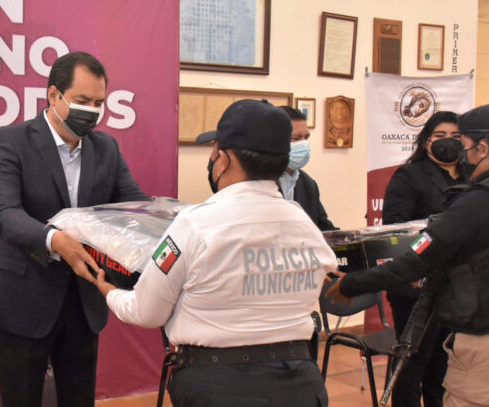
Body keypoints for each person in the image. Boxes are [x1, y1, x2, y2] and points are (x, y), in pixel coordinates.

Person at [96, 99, 337, 407]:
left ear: (223, 160)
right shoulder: (303, 223)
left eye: (213, 150)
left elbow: (147, 312)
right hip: (300, 383)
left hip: (220, 386)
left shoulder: (195, 225)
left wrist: (108, 292)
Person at [0, 51, 148, 407]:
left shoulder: (106, 148)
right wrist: (56, 240)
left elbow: (133, 205)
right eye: (83, 100)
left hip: (83, 301)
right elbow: (5, 213)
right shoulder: (10, 141)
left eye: (99, 102)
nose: (93, 110)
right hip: (23, 298)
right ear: (54, 95)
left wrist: (164, 214)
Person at [327, 104, 489, 407]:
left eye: (463, 143)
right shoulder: (424, 180)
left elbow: (417, 258)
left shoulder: (478, 202)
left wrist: (351, 284)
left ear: (483, 148)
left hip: (486, 342)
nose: (460, 151)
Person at [380, 111, 466, 407]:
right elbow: (394, 229)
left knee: (443, 363)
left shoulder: (473, 175)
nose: (448, 143)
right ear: (426, 140)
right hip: (416, 287)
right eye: (440, 136)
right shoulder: (410, 175)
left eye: (456, 137)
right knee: (413, 362)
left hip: (457, 286)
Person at [279, 106, 338, 231]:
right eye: (296, 138)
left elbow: (324, 229)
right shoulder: (258, 181)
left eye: (306, 137)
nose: (304, 143)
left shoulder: (308, 184)